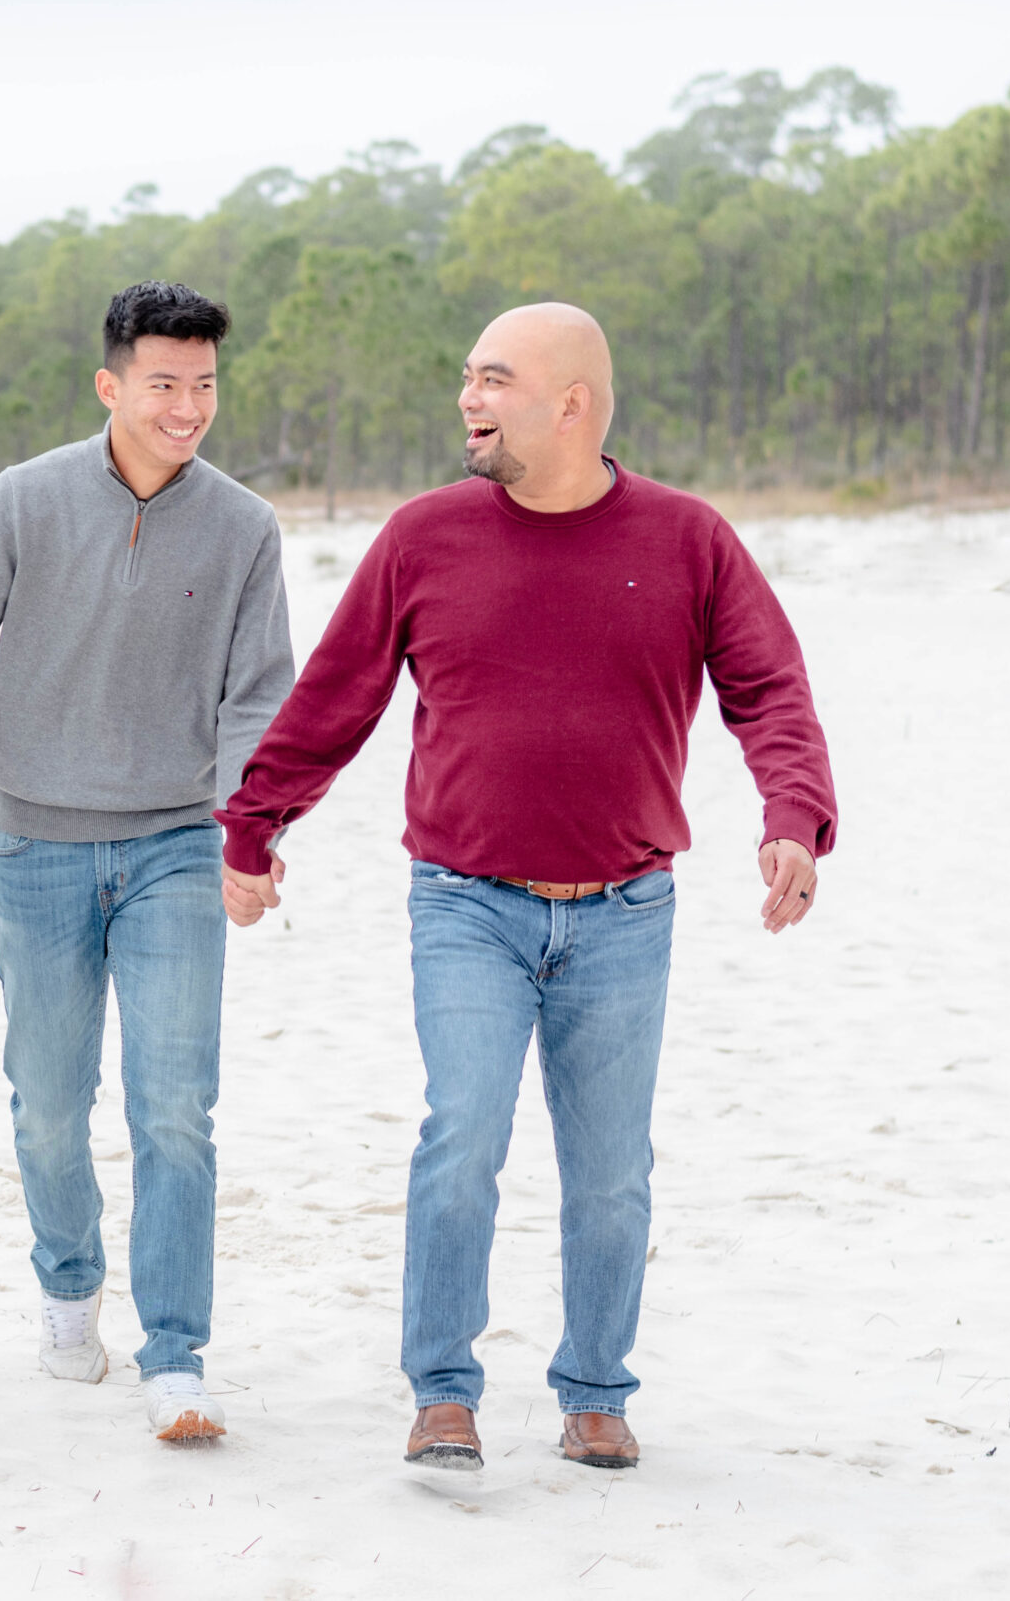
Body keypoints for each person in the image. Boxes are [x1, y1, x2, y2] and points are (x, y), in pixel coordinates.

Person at [217, 302, 837, 1471]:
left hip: (625, 911)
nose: (468, 398)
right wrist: (252, 828)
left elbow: (769, 688)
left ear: (571, 403)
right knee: (462, 1135)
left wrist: (793, 818)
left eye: (493, 380)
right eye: (465, 377)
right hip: (464, 902)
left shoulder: (688, 539)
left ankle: (595, 1391)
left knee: (610, 1171)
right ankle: (442, 1390)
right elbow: (334, 702)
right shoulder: (422, 537)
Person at [0, 281, 295, 1441]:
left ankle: (176, 1353)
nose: (187, 406)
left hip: (177, 845)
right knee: (47, 1105)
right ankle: (66, 1286)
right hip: (33, 841)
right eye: (163, 384)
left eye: (203, 384)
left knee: (175, 1106)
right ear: (111, 385)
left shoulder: (243, 526)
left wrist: (250, 830)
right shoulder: (25, 500)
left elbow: (257, 700)